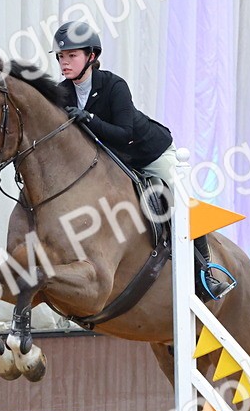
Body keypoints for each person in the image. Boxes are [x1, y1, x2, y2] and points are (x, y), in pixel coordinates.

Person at [53, 20, 229, 300]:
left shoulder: (113, 85)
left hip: (148, 153)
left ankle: (205, 271)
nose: (65, 62)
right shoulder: (62, 93)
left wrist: (90, 119)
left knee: (180, 201)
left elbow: (124, 134)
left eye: (72, 55)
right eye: (61, 56)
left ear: (91, 57)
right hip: (112, 161)